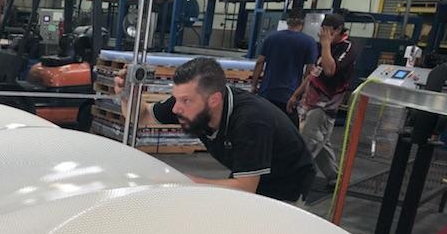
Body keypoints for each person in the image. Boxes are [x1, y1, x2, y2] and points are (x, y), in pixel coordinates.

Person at [114, 57, 315, 202]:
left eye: (186, 100)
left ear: (214, 100)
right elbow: (142, 117)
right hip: (248, 178)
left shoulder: (251, 122)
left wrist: (182, 181)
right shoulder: (190, 103)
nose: (176, 108)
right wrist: (126, 95)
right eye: (177, 98)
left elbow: (245, 188)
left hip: (287, 184)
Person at [287, 13, 357, 188]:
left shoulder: (347, 48)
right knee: (320, 141)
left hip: (324, 107)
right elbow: (314, 74)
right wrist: (296, 94)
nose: (325, 35)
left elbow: (329, 70)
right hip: (310, 102)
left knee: (307, 143)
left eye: (329, 32)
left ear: (339, 30)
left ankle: (293, 180)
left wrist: (326, 45)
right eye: (323, 31)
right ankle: (334, 176)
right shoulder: (322, 47)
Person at [250, 9, 317, 127]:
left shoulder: (271, 38)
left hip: (267, 92)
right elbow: (310, 71)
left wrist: (254, 85)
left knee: (264, 127)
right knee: (288, 131)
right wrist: (303, 94)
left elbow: (260, 62)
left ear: (287, 22)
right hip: (290, 95)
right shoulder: (309, 42)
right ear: (302, 24)